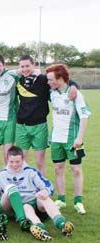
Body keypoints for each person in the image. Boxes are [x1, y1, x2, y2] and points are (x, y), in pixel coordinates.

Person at [0, 146, 74, 241]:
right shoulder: (2, 175)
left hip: (35, 203)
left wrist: (45, 191)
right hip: (19, 208)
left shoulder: (31, 172)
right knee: (26, 207)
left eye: (17, 162)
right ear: (7, 159)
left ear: (23, 159)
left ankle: (62, 223)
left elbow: (47, 185)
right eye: (11, 162)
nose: (14, 165)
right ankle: (41, 230)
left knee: (44, 198)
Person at [16, 55, 78, 176]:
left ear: (33, 65)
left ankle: (41, 187)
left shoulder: (44, 79)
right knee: (21, 161)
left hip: (39, 126)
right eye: (22, 66)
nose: (25, 69)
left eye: (27, 66)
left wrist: (74, 86)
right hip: (21, 126)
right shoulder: (18, 80)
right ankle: (24, 187)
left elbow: (62, 80)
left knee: (39, 161)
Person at [46, 64, 91, 214]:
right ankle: (61, 199)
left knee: (76, 169)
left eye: (51, 79)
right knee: (58, 168)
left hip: (72, 139)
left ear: (59, 79)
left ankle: (78, 201)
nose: (48, 82)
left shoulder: (75, 94)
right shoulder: (52, 93)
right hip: (56, 139)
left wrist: (79, 137)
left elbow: (85, 116)